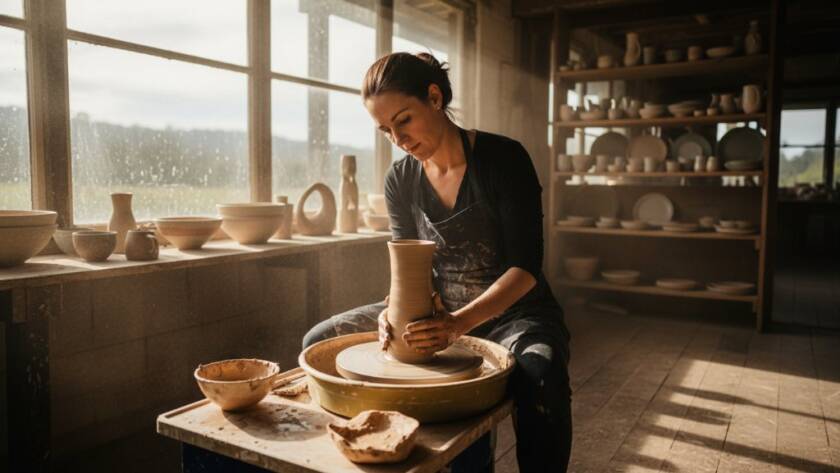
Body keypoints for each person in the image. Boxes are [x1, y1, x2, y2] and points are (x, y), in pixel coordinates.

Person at [302, 52, 571, 473]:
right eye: (385, 130)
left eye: (404, 120)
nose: (398, 138)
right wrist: (391, 315)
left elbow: (526, 270)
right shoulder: (401, 179)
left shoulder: (504, 159)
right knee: (318, 340)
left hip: (515, 312)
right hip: (437, 311)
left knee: (542, 376)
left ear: (434, 97)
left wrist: (458, 325)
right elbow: (407, 270)